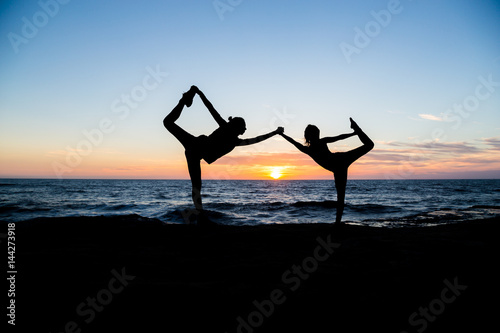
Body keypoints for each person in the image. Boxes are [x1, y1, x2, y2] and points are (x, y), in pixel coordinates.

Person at [164, 85, 283, 221]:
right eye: (243, 128)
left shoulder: (235, 141)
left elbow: (256, 140)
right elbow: (211, 109)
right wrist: (199, 93)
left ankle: (199, 215)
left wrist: (275, 132)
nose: (244, 130)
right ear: (237, 127)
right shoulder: (226, 129)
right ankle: (187, 97)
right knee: (167, 122)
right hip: (195, 145)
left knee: (196, 188)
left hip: (194, 153)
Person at [279, 118, 374, 225]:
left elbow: (338, 138)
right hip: (339, 165)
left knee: (370, 145)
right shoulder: (309, 149)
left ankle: (357, 129)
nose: (317, 136)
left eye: (317, 134)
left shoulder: (319, 143)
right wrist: (282, 135)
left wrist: (354, 134)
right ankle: (337, 222)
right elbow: (294, 142)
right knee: (341, 196)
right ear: (309, 136)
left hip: (341, 160)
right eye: (315, 134)